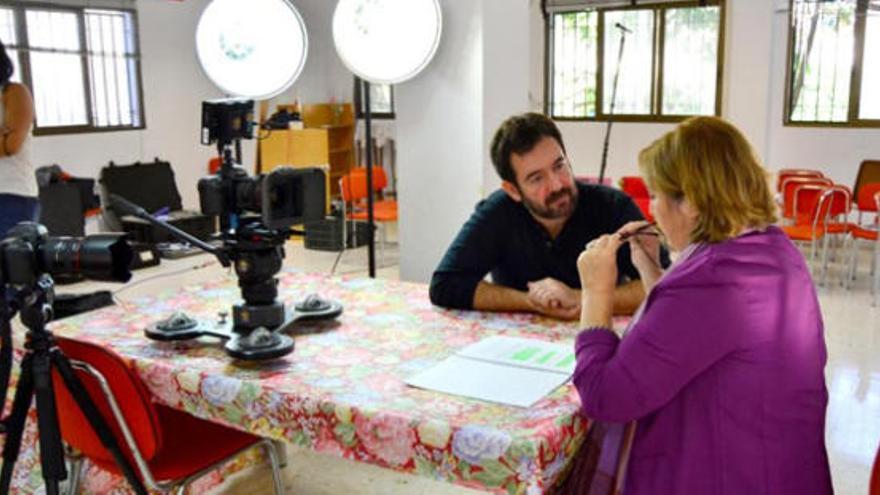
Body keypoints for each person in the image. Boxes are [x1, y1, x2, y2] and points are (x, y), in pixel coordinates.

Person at [573, 116, 832, 494]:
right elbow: (700, 338)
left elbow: (606, 396)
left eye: (657, 195)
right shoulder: (775, 250)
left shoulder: (713, 279)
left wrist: (596, 292)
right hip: (782, 468)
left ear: (691, 202)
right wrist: (653, 272)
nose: (652, 210)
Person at [430, 113, 660, 320]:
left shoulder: (614, 206)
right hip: (517, 347)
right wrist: (530, 301)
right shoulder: (497, 211)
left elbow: (662, 285)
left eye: (559, 166)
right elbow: (445, 285)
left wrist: (580, 297)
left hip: (600, 339)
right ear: (512, 190)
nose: (557, 184)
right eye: (536, 178)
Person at [0, 39, 37, 238]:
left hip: (12, 194)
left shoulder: (13, 92)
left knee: (13, 264)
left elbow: (11, 146)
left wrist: (6, 139)